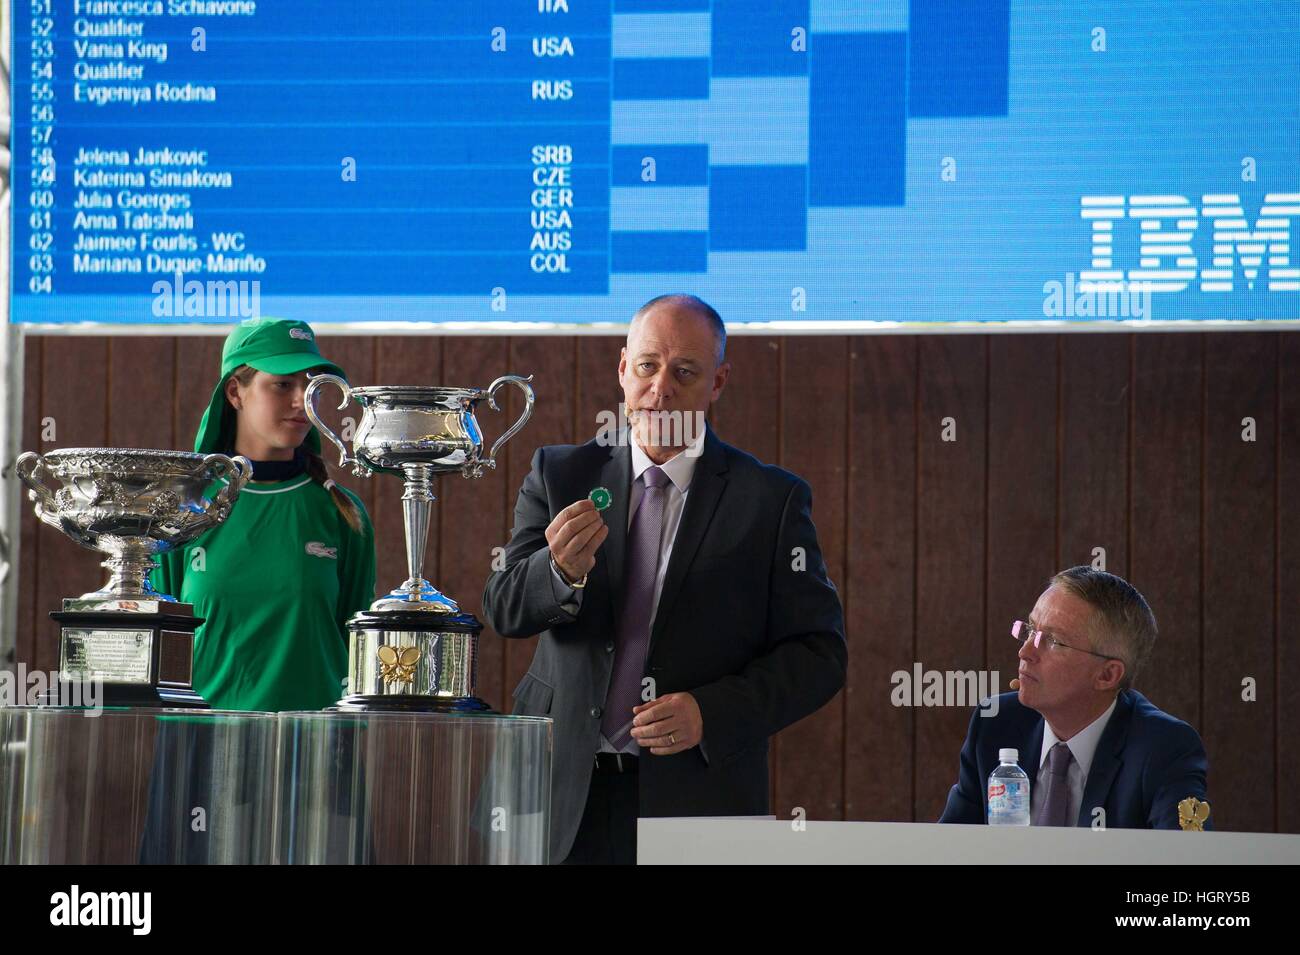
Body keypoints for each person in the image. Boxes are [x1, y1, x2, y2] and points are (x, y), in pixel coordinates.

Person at [482, 293, 848, 864]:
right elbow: (504, 608)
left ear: (718, 382)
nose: (661, 388)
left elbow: (820, 655)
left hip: (699, 796)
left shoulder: (770, 501)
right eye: (648, 366)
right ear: (623, 368)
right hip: (556, 789)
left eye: (685, 372)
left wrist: (713, 713)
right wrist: (557, 572)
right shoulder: (559, 473)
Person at [149, 317, 376, 712]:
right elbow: (160, 646)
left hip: (316, 750)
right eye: (283, 384)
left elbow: (355, 649)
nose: (301, 400)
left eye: (311, 385)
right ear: (236, 392)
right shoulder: (185, 508)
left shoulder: (343, 513)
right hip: (202, 745)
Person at [939, 566, 1210, 829]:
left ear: (1107, 675)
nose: (1025, 652)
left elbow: (1187, 857)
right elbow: (949, 849)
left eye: (1054, 641)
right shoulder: (997, 723)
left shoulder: (1163, 747)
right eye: (1031, 631)